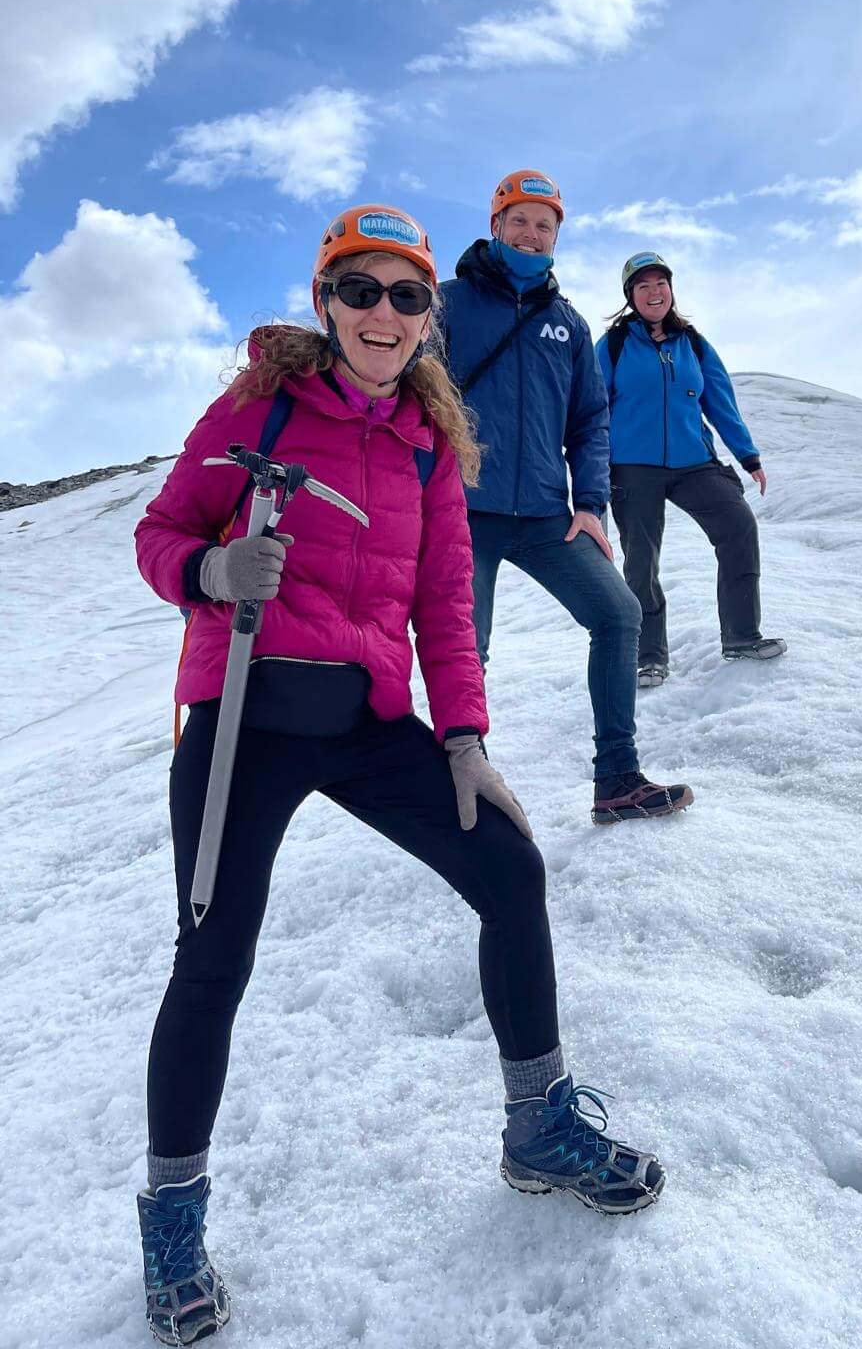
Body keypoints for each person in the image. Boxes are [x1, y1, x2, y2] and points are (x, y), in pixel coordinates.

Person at [132, 205, 665, 1347]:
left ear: (429, 317)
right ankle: (173, 1214)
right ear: (326, 303)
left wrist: (465, 736)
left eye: (406, 296)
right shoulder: (258, 407)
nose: (384, 314)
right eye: (361, 290)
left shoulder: (431, 444)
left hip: (367, 719)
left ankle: (537, 1126)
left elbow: (441, 606)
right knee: (213, 957)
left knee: (511, 870)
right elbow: (161, 532)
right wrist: (214, 569)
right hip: (244, 717)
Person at [439, 170, 693, 825]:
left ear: (557, 237)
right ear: (495, 226)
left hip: (549, 513)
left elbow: (590, 421)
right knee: (467, 645)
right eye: (519, 220)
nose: (531, 233)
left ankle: (617, 779)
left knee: (617, 613)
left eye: (544, 224)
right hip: (461, 510)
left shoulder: (568, 324)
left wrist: (591, 503)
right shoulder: (444, 304)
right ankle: (467, 789)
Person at [596, 251, 786, 687]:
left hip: (694, 463)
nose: (653, 292)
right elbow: (593, 406)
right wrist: (593, 467)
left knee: (739, 527)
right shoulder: (615, 345)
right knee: (641, 561)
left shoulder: (693, 343)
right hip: (632, 466)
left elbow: (719, 400)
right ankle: (648, 657)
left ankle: (741, 636)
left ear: (671, 289)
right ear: (630, 296)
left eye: (659, 283)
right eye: (642, 286)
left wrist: (747, 456)